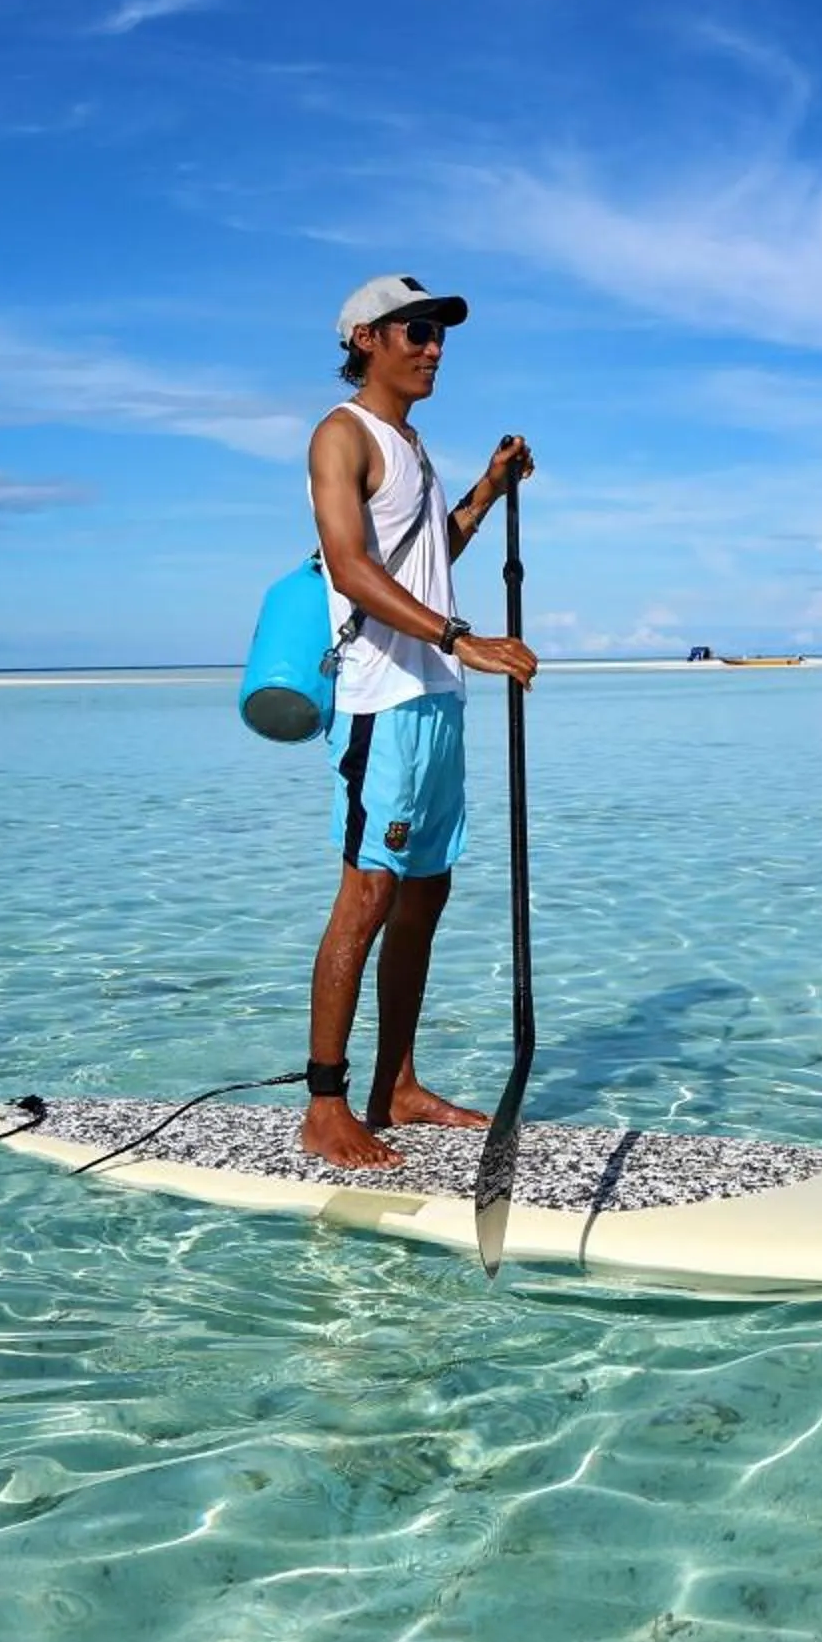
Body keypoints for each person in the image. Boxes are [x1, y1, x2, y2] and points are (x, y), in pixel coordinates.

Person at [300, 274, 537, 1168]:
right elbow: (352, 567)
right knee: (367, 895)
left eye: (440, 333)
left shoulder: (413, 445)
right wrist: (462, 637)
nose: (434, 347)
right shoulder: (342, 435)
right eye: (417, 331)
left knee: (424, 896)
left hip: (437, 701)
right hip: (383, 702)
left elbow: (435, 550)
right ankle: (325, 1104)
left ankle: (394, 1086)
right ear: (365, 337)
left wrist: (488, 482)